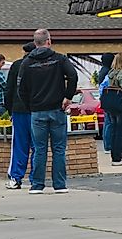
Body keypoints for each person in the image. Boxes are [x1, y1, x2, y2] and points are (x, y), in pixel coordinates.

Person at [18, 28, 78, 194]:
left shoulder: (27, 62)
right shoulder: (59, 59)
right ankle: (60, 184)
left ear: (35, 43)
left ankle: (37, 185)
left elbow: (20, 88)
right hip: (57, 108)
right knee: (59, 149)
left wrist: (30, 105)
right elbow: (73, 75)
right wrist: (68, 96)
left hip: (37, 111)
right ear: (49, 41)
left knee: (39, 149)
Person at [4, 42, 36, 189]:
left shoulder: (17, 65)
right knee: (38, 146)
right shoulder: (44, 64)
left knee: (19, 145)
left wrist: (9, 110)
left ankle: (16, 177)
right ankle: (36, 178)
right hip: (38, 109)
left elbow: (9, 89)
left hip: (19, 109)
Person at [99, 52, 122, 166]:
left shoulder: (111, 73)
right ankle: (117, 158)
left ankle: (115, 155)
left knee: (114, 131)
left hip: (112, 106)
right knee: (121, 132)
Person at [97, 52, 115, 153]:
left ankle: (107, 145)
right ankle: (108, 146)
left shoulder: (102, 71)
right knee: (109, 123)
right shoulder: (108, 72)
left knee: (107, 122)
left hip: (104, 99)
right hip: (108, 98)